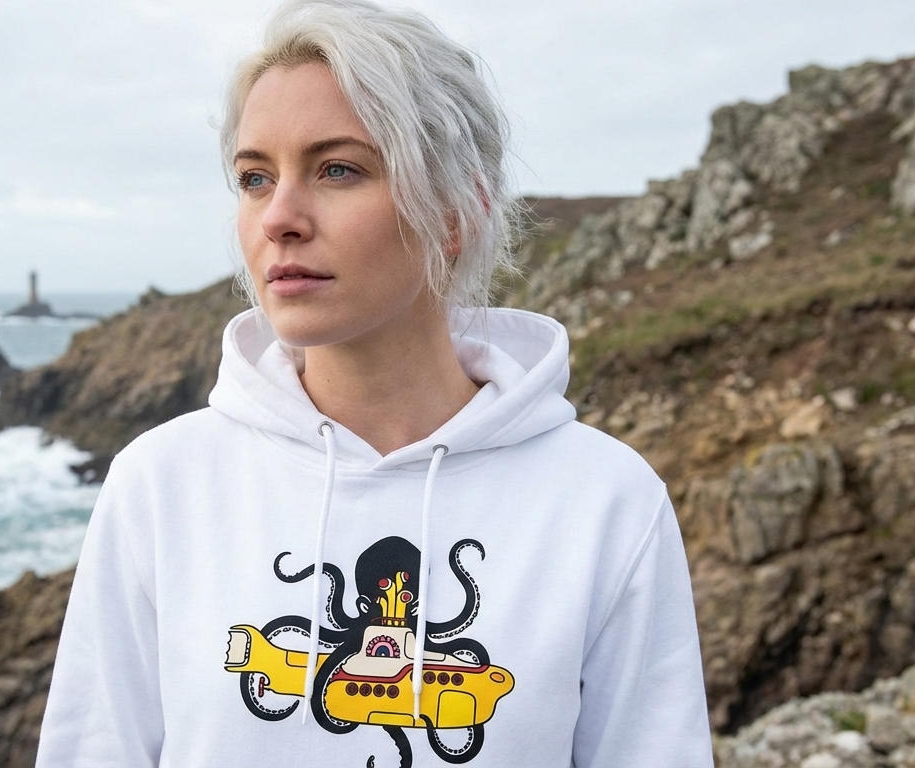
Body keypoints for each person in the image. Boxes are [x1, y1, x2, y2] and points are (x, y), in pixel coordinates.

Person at [35, 0, 712, 765]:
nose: (279, 218)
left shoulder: (606, 500)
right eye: (255, 178)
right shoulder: (160, 486)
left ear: (455, 212)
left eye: (338, 169)